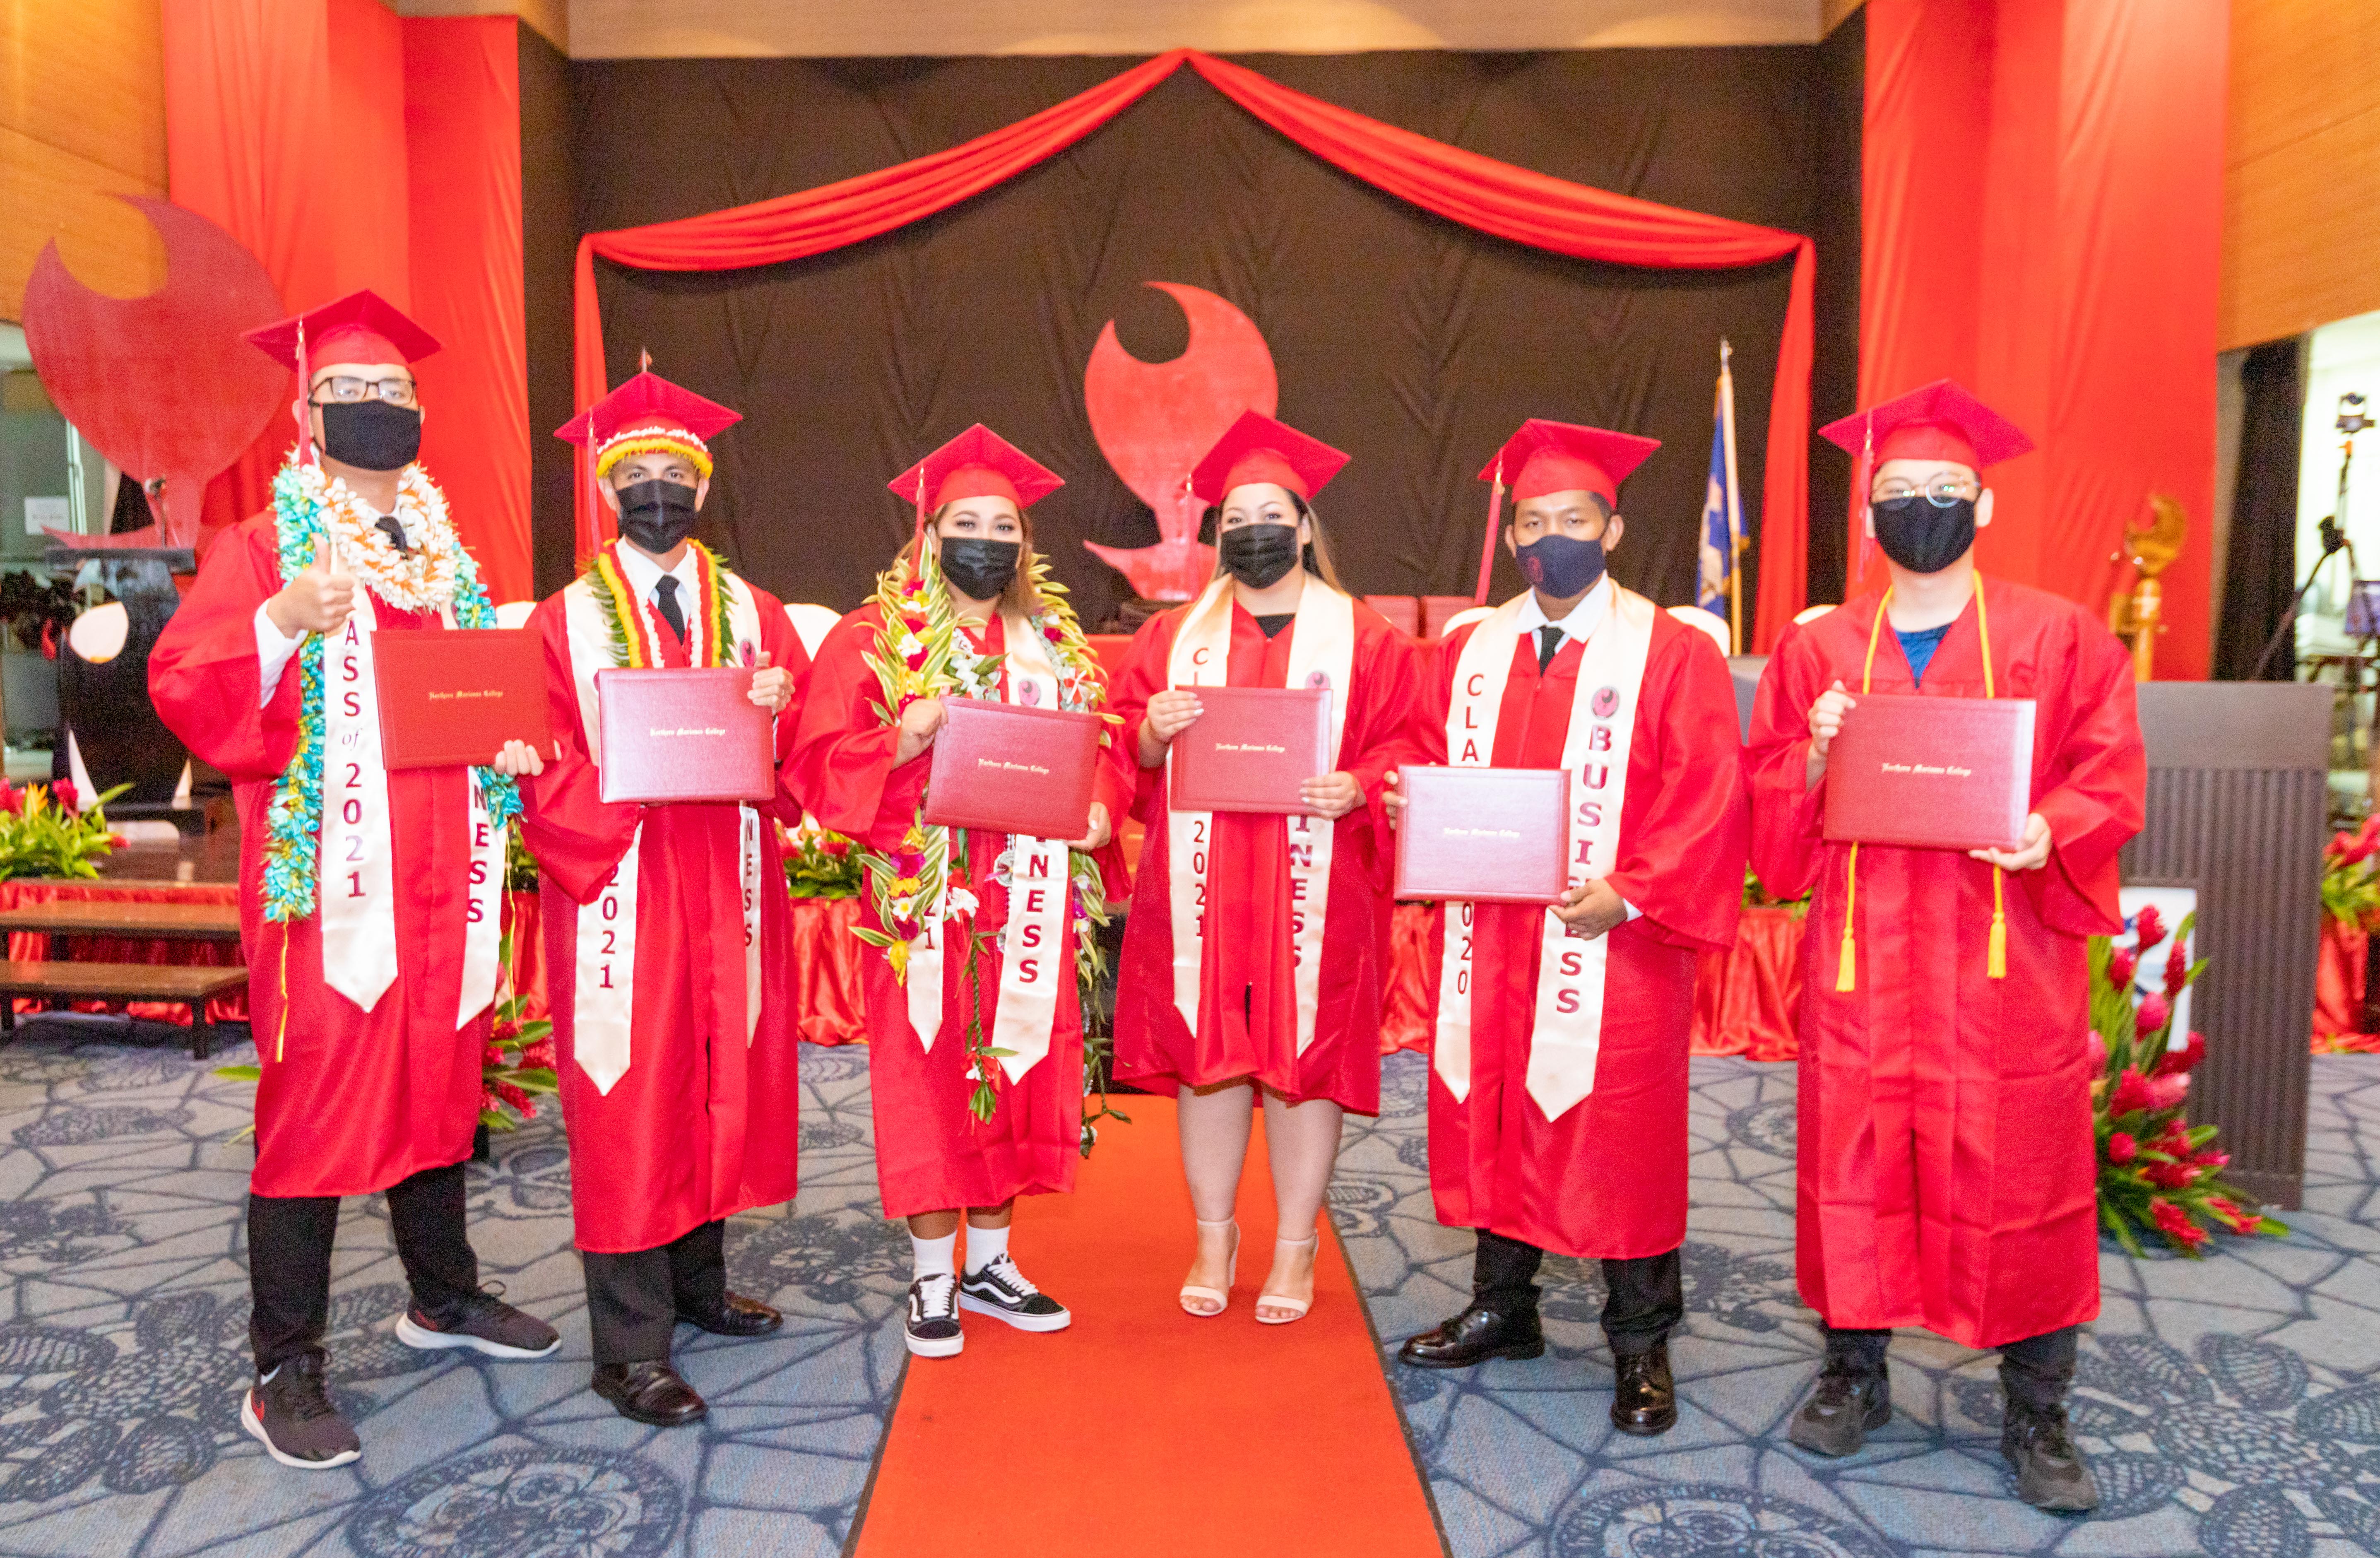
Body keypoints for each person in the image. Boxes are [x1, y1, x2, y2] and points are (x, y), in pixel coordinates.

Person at [148, 291, 558, 1471]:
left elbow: (473, 693)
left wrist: (510, 747)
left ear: (422, 414)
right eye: (351, 397)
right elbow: (190, 684)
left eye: (394, 395)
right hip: (332, 891)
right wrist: (279, 620)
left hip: (443, 874)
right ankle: (283, 1363)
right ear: (307, 415)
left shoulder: (440, 552)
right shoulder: (268, 547)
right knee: (318, 1104)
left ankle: (442, 1297)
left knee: (441, 1082)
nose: (377, 411)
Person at [1747, 380, 2145, 1511]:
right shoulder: (1816, 645)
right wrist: (1813, 758)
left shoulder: (2053, 632)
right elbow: (1766, 804)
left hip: (1999, 962)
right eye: (1892, 493)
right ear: (1864, 513)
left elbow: (2105, 774)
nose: (1914, 508)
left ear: (1983, 506)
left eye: (1938, 491)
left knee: (2020, 1170)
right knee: (1851, 1162)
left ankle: (2037, 1406)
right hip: (1862, 962)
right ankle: (1851, 1368)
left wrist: (2047, 830)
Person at [1387, 420, 1747, 1435]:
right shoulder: (1472, 648)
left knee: (1619, 1134)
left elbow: (1708, 793)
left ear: (1613, 528)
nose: (1552, 538)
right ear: (1510, 540)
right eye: (1533, 522)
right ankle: (1506, 1305)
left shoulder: (1668, 650)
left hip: (1612, 937)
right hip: (1494, 934)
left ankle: (1641, 1342)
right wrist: (1409, 811)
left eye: (1573, 520)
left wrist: (1630, 891)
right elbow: (1420, 760)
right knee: (1499, 1103)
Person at [787, 426, 1123, 1358]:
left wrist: (1097, 809)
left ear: (1024, 543)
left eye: (1003, 525)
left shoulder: (1053, 642)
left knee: (1014, 1067)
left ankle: (991, 1262)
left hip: (1027, 893)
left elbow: (1106, 748)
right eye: (965, 522)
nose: (987, 539)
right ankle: (932, 1279)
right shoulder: (872, 638)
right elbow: (815, 764)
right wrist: (903, 735)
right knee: (928, 1078)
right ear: (928, 535)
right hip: (923, 900)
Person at [520, 371, 807, 1426]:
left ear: (702, 485)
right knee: (631, 1095)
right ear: (605, 493)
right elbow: (540, 754)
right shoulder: (561, 621)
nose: (655, 489)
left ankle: (696, 1287)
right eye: (633, 474)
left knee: (712, 1073)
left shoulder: (758, 614)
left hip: (724, 880)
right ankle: (627, 1347)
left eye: (672, 473)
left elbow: (806, 748)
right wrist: (609, 807)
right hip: (625, 883)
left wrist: (777, 710)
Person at [1106, 409, 1422, 1325]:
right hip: (1205, 881)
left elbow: (1412, 744)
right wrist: (1150, 735)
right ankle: (1213, 1234)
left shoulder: (1367, 637)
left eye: (1271, 512)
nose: (1253, 529)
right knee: (1209, 1061)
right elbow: (1119, 752)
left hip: (1314, 880)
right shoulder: (1171, 639)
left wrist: (1360, 785)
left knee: (1301, 1061)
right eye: (1234, 515)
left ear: (1305, 524)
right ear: (1216, 533)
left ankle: (1293, 1243)